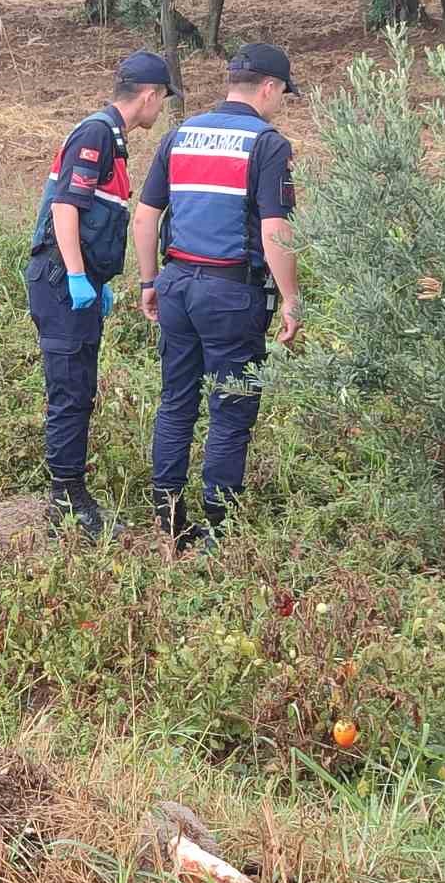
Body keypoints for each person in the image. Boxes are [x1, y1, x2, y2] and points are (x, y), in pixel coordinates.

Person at [132, 42, 304, 551]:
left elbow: (145, 217)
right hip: (232, 292)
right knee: (231, 407)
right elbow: (275, 229)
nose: (279, 104)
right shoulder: (268, 144)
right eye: (282, 95)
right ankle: (217, 528)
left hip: (177, 285)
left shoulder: (180, 134)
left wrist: (148, 282)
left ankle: (167, 518)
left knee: (177, 400)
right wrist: (292, 298)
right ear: (269, 88)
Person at [26, 50, 175, 536]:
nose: (161, 111)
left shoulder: (113, 139)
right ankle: (64, 499)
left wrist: (95, 280)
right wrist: (74, 275)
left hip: (78, 279)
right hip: (59, 281)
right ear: (149, 95)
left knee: (80, 389)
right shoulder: (96, 134)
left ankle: (71, 490)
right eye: (163, 101)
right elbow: (67, 209)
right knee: (70, 390)